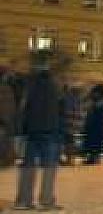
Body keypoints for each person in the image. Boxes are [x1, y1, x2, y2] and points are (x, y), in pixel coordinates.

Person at [15, 55, 64, 211]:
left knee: (28, 166)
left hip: (32, 130)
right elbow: (59, 108)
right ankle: (46, 199)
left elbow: (23, 108)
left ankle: (24, 200)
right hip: (50, 130)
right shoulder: (54, 84)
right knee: (50, 166)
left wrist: (22, 129)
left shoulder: (28, 83)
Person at [81, 84, 103, 165]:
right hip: (92, 125)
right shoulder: (95, 100)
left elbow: (101, 111)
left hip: (99, 125)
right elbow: (85, 105)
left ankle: (96, 158)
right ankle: (91, 157)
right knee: (91, 141)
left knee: (97, 142)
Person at [0, 67, 17, 168]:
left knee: (5, 141)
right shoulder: (6, 89)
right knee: (5, 141)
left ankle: (6, 160)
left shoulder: (7, 89)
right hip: (5, 121)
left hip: (5, 121)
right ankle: (6, 160)